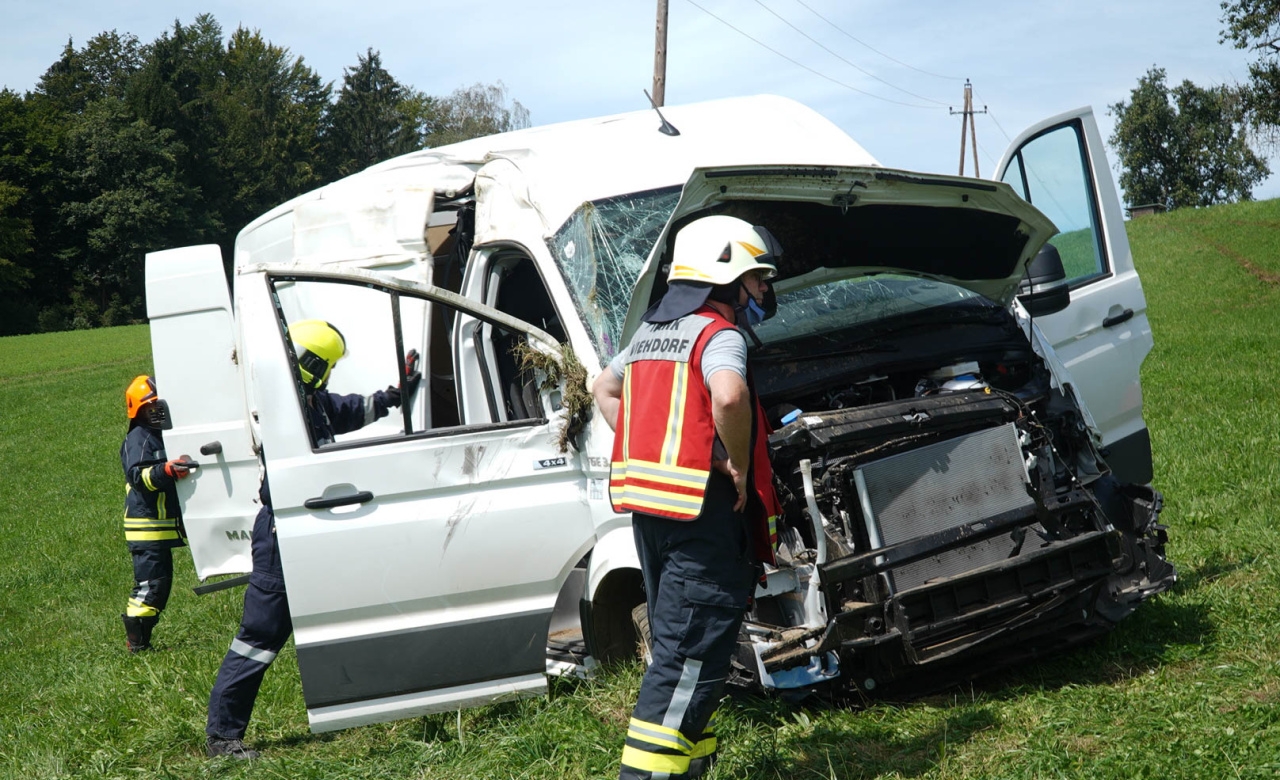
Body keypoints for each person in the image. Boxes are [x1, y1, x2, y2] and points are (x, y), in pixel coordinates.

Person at [591, 215, 784, 780]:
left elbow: (602, 387)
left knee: (692, 655)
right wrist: (740, 465)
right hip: (704, 519)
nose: (765, 291)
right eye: (757, 278)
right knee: (686, 660)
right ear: (725, 279)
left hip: (654, 515)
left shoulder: (648, 335)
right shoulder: (718, 335)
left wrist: (671, 450)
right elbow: (727, 395)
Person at [205, 319, 419, 760]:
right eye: (327, 367)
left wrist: (394, 394)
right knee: (259, 637)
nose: (329, 378)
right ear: (313, 364)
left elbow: (350, 409)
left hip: (301, 526)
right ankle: (223, 735)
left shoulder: (307, 400)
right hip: (282, 537)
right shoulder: (285, 409)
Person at [120, 375, 193, 652]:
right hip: (146, 526)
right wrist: (166, 471)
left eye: (159, 406)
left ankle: (141, 639)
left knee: (159, 585)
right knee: (150, 586)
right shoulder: (138, 438)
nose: (157, 412)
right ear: (137, 411)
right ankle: (137, 645)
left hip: (159, 525)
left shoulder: (161, 435)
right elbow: (138, 476)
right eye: (151, 408)